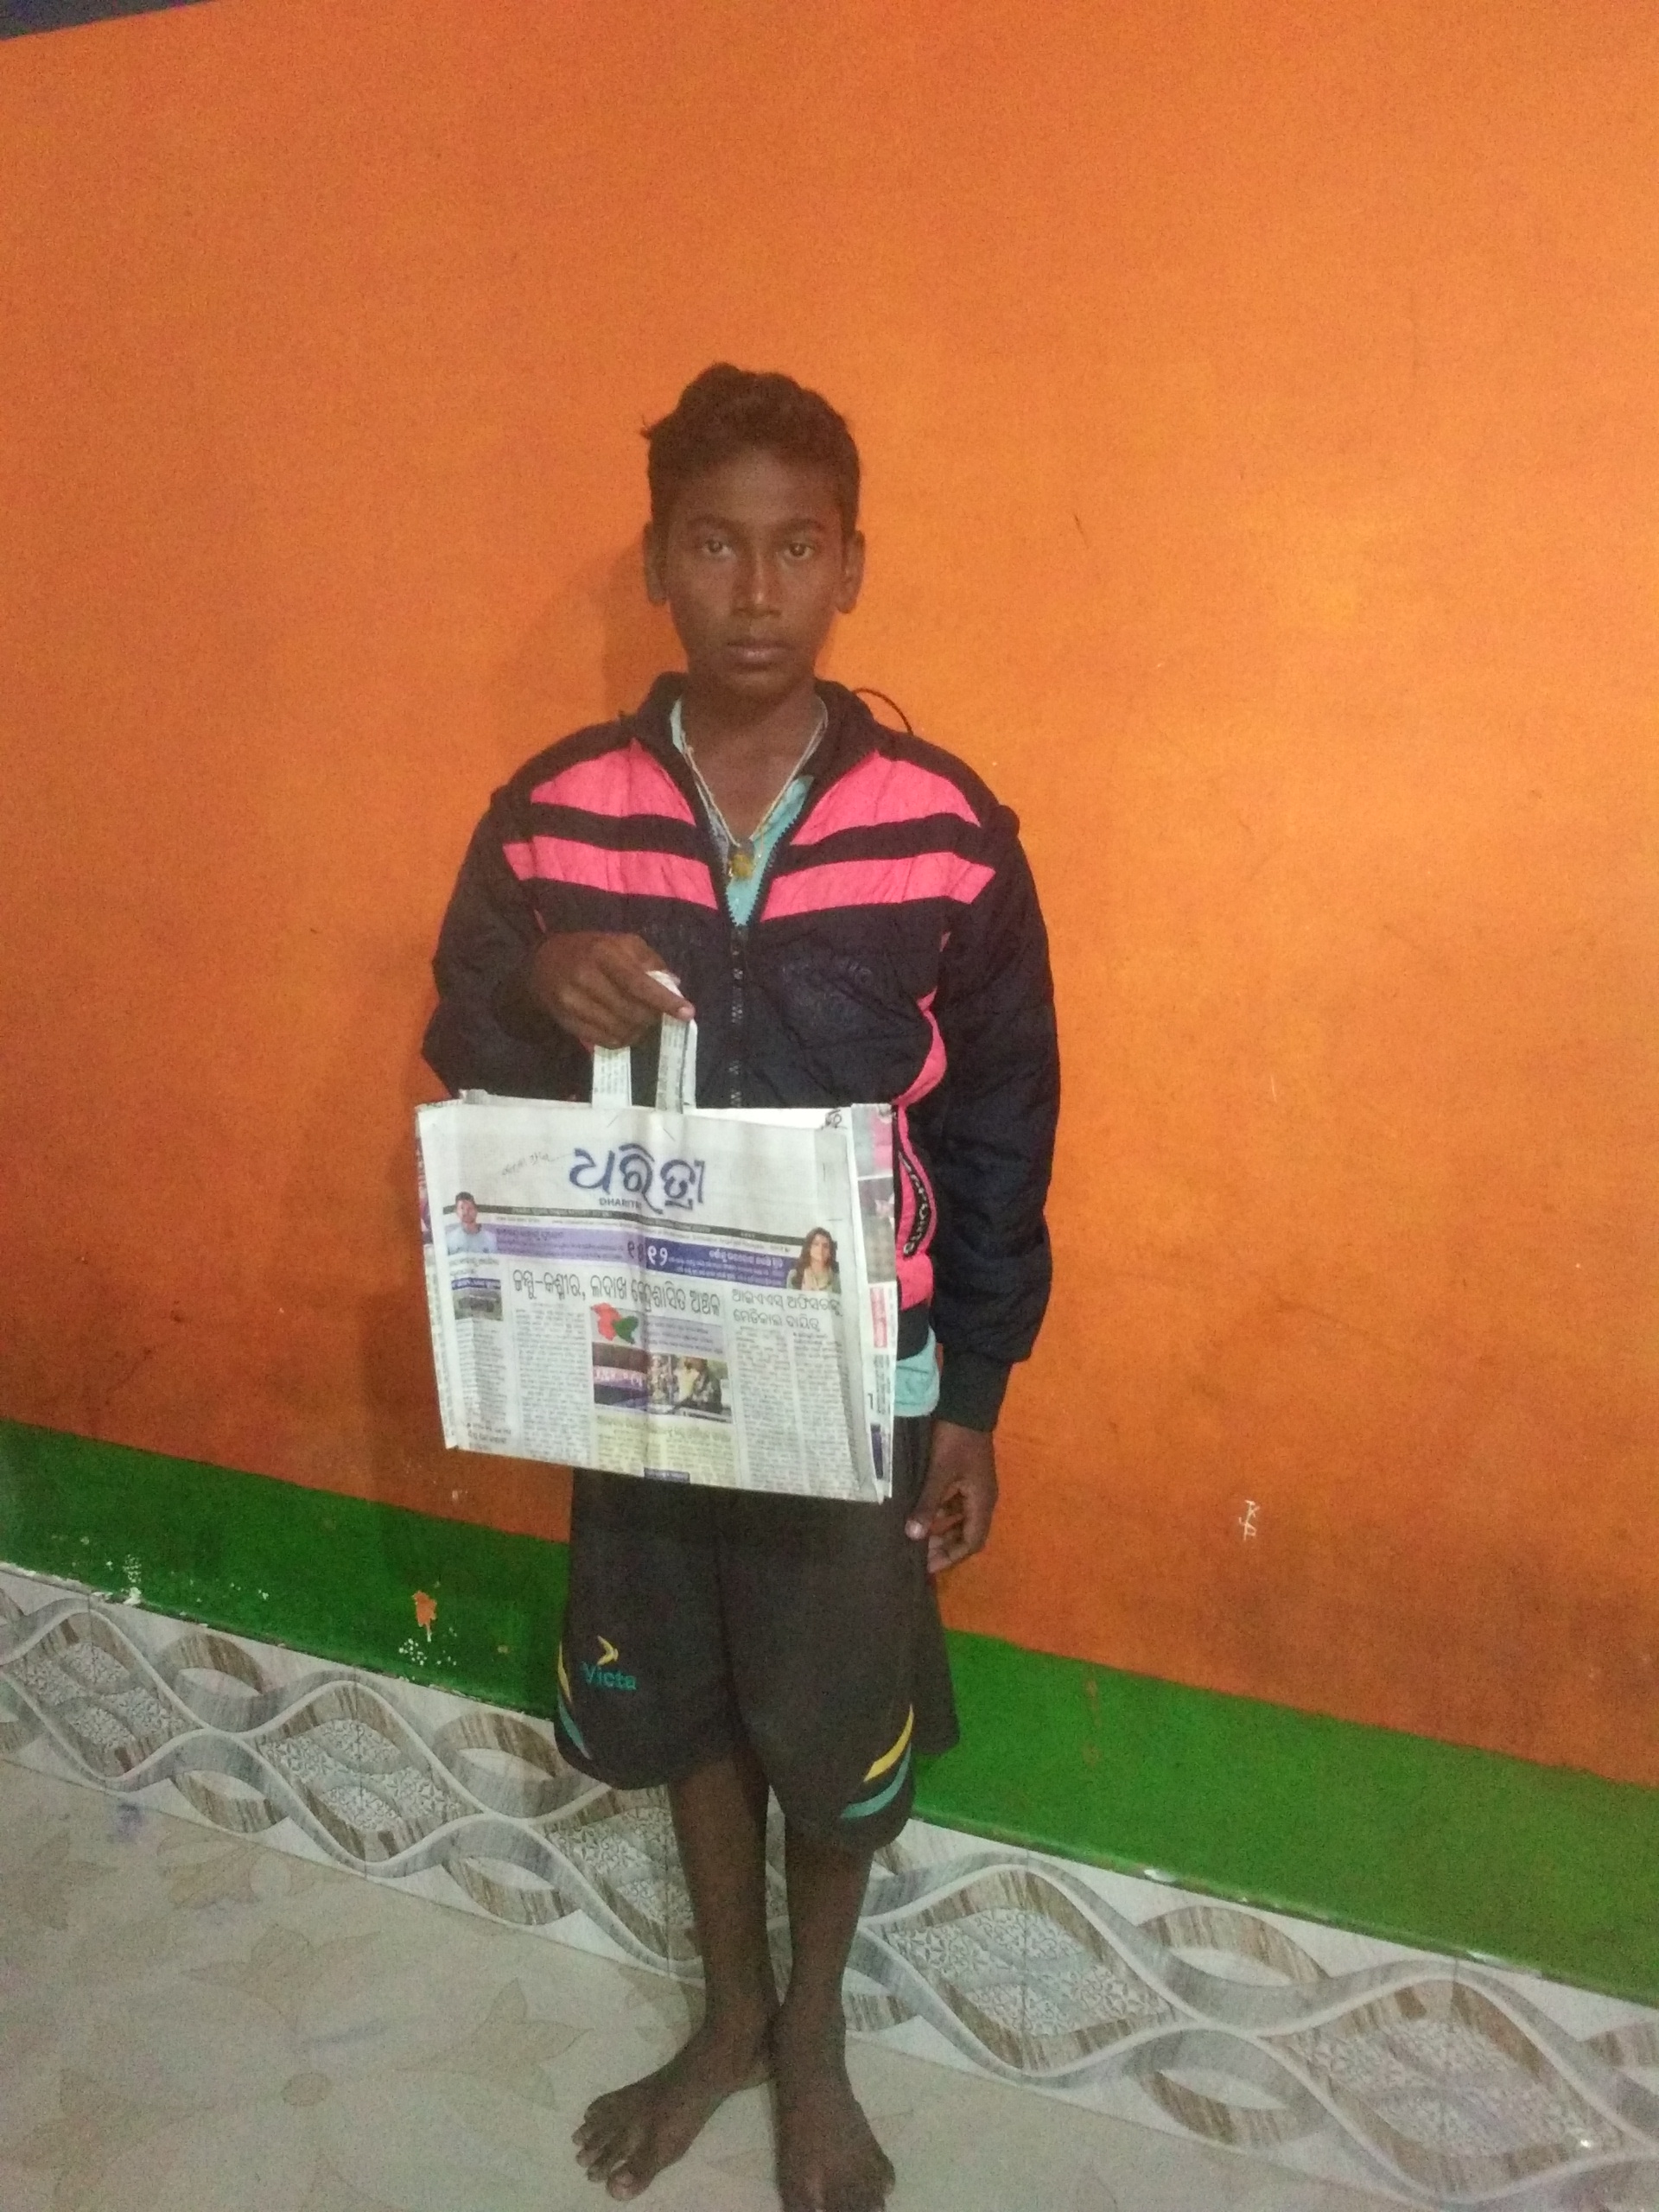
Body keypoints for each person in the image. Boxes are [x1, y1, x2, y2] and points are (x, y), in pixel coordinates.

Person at [423, 365, 1058, 2212]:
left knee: (831, 1718)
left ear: (852, 565)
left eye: (797, 547)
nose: (757, 590)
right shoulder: (553, 813)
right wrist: (534, 983)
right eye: (715, 546)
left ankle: (815, 2039)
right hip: (629, 1360)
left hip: (854, 1376)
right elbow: (464, 1037)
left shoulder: (945, 828)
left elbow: (1003, 1123)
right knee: (687, 1693)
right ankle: (727, 2016)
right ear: (658, 564)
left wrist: (975, 1393)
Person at [786, 1227, 840, 1293]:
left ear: (830, 1252)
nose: (821, 1249)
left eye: (825, 1246)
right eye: (816, 1244)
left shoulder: (838, 1279)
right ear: (809, 1248)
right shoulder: (794, 1276)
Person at [443, 1191, 497, 1255]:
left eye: (470, 1208)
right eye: (462, 1208)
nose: (466, 1212)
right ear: (456, 1212)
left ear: (476, 1211)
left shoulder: (491, 1239)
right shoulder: (449, 1239)